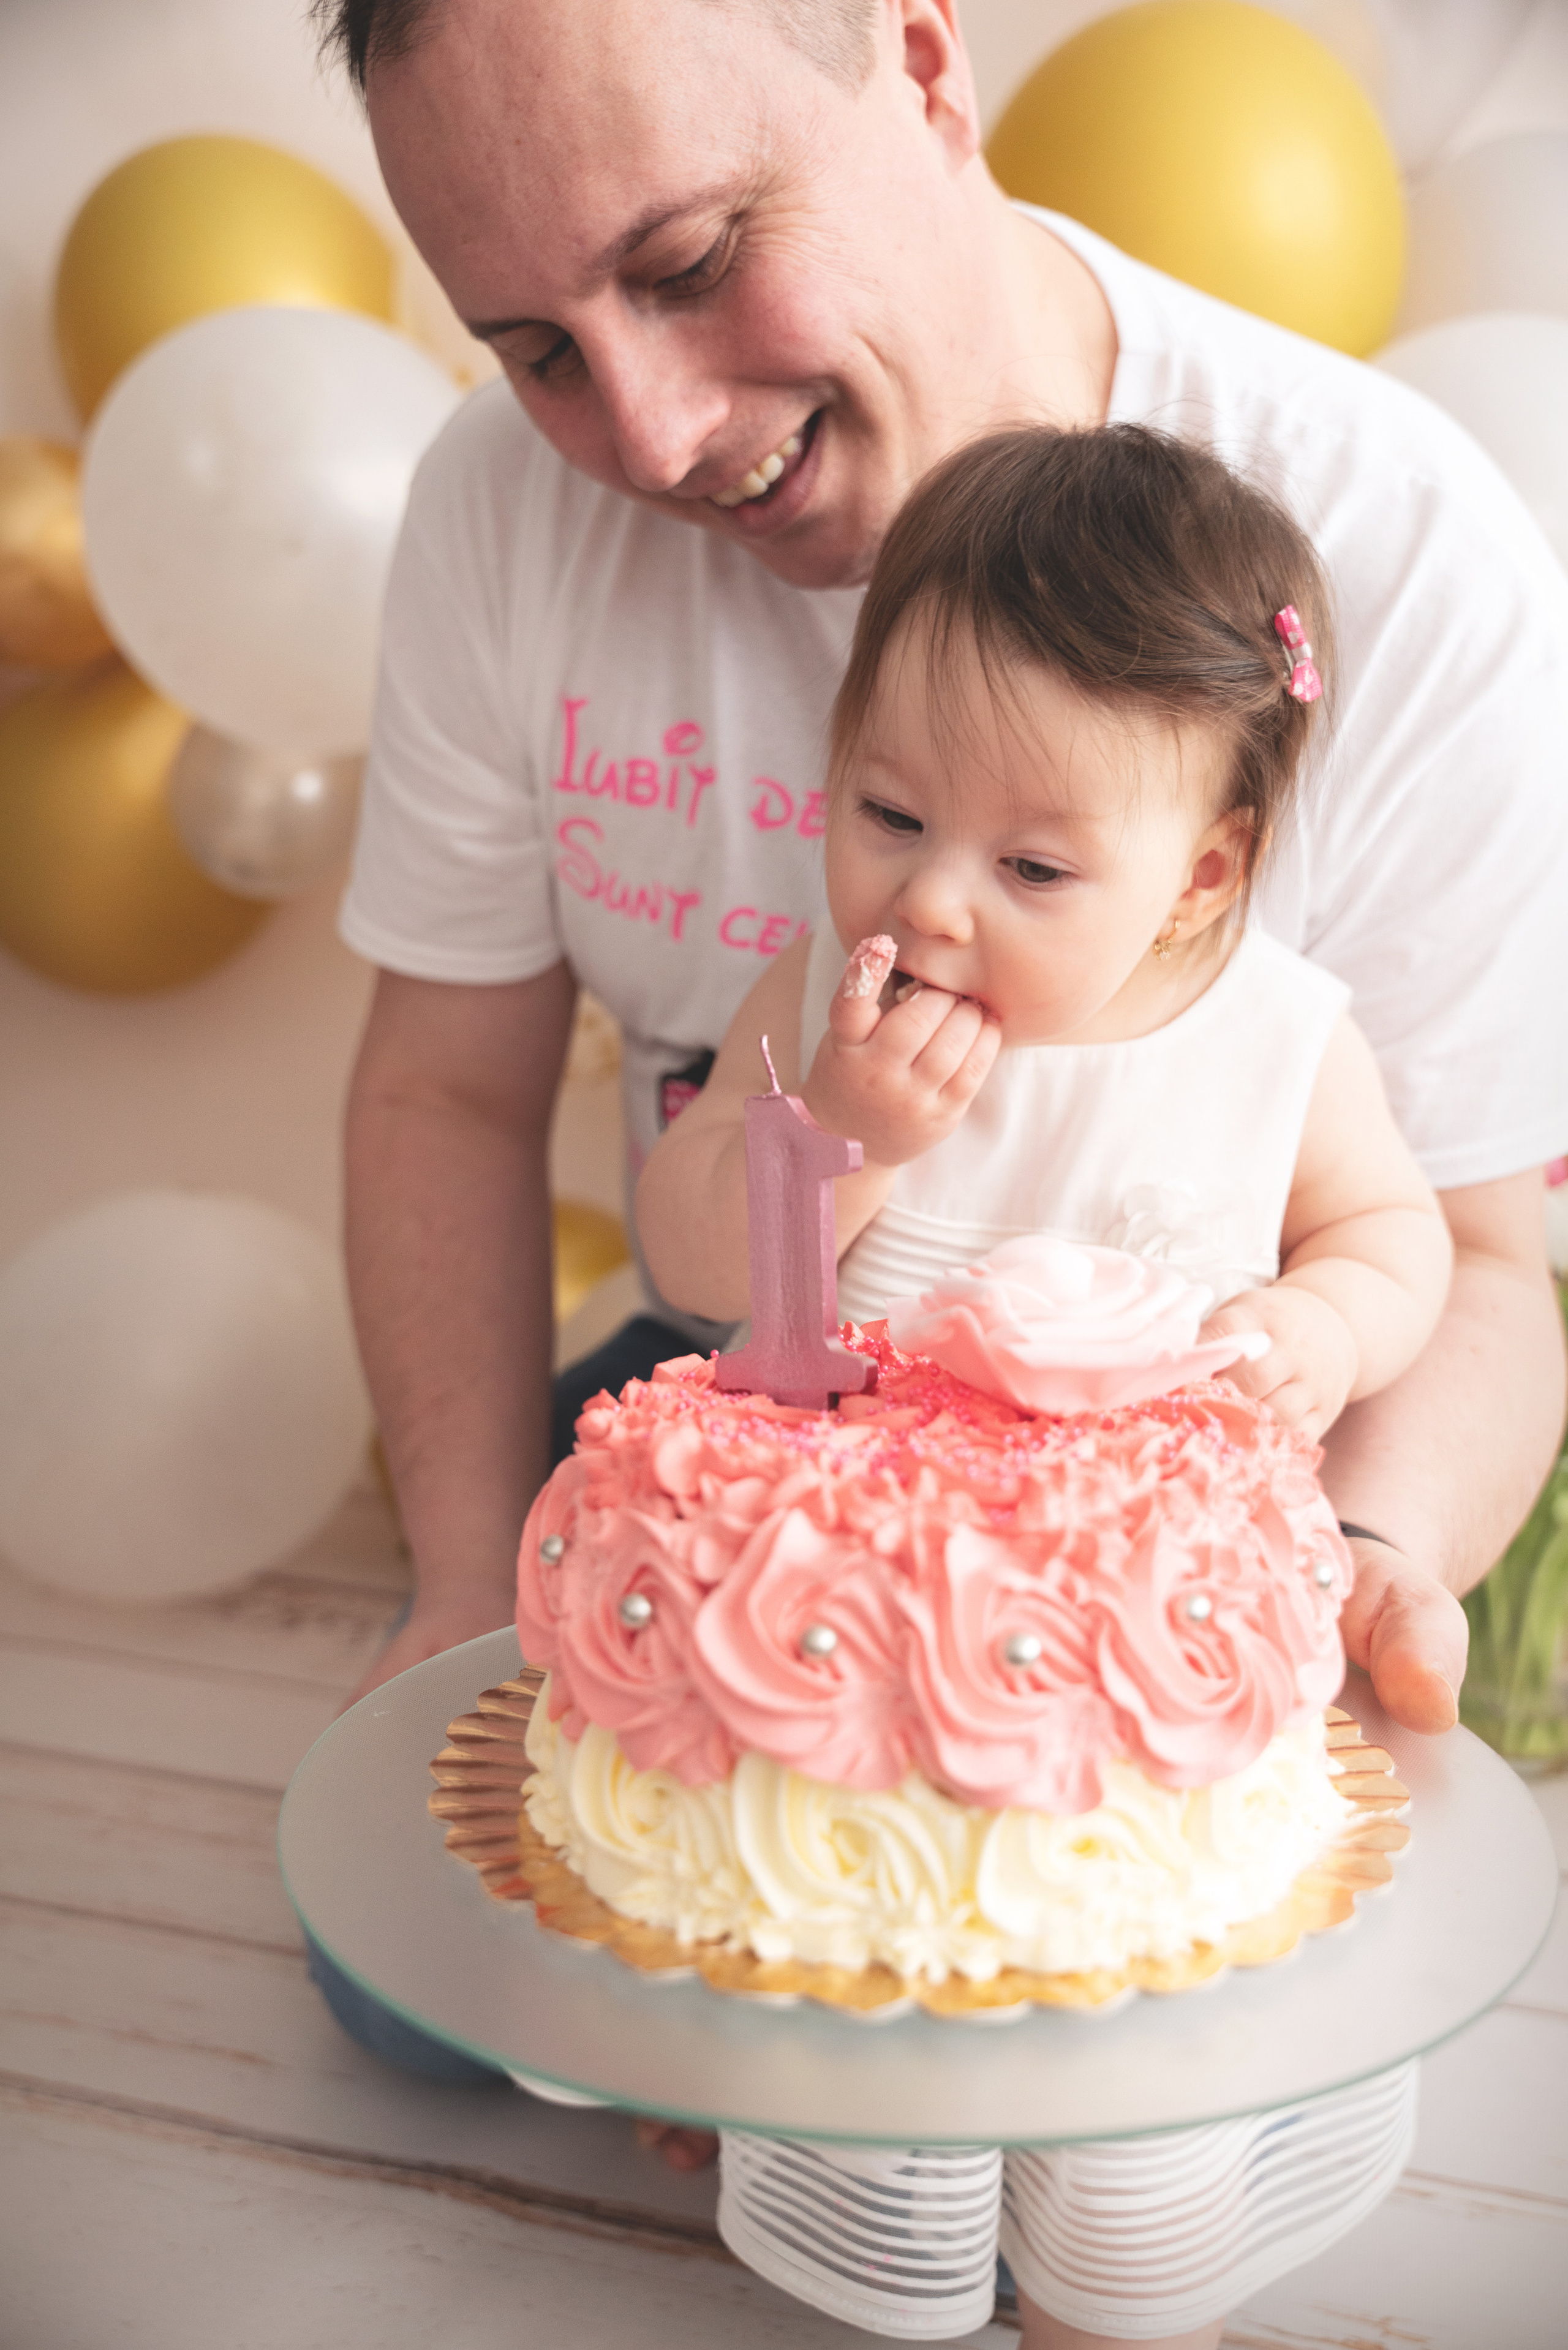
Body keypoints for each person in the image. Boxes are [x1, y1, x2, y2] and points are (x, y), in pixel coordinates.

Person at [313, 0, 1567, 2174]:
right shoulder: (506, 529)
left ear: (916, 58)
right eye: (532, 345)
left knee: (1144, 2083)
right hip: (803, 1427)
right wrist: (453, 1597)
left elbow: (1460, 1253)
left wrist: (1337, 1581)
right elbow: (444, 1091)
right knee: (444, 1992)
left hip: (1208, 1488)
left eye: (694, 257)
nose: (650, 425)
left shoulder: (1404, 560)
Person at [632, 415, 1448, 2350]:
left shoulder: (1276, 1044)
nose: (931, 906)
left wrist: (1321, 1332)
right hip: (863, 1667)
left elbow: (1397, 1245)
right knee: (870, 2020)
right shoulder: (824, 1014)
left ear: (1196, 874)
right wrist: (831, 1139)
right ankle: (852, 2185)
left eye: (1035, 863)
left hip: (1137, 1696)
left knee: (1133, 2088)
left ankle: (1116, 2279)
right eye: (891, 818)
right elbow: (686, 1261)